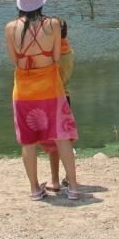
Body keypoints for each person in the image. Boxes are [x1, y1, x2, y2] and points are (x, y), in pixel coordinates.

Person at [4, 0, 80, 201]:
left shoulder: (10, 28)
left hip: (24, 91)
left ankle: (35, 189)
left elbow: (15, 62)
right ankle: (73, 188)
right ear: (41, 2)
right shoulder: (54, 24)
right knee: (61, 137)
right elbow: (56, 57)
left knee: (28, 142)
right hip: (51, 88)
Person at [44, 18, 75, 192]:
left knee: (53, 143)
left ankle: (55, 179)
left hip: (55, 97)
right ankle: (69, 177)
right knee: (66, 140)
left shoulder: (53, 55)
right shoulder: (69, 50)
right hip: (67, 97)